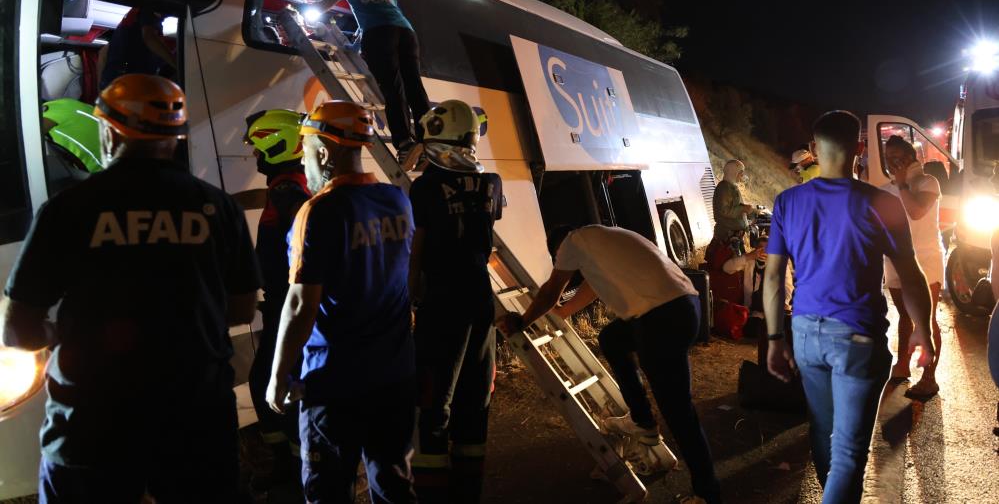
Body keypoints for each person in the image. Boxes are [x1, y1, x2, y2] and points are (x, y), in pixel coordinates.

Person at [1, 74, 261, 504]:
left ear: (109, 129)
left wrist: (61, 333)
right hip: (196, 421)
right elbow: (240, 309)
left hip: (90, 425)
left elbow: (17, 331)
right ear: (175, 138)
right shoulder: (219, 209)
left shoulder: (68, 210)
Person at [764, 110, 933, 503]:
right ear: (859, 148)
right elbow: (911, 274)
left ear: (812, 149)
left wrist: (775, 338)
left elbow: (773, 278)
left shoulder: (787, 202)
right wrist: (923, 329)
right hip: (857, 336)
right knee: (848, 454)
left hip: (806, 334)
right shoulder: (882, 203)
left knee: (824, 436)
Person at [496, 225, 722, 504]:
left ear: (558, 247)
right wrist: (565, 312)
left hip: (660, 319)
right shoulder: (605, 237)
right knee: (613, 338)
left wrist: (521, 322)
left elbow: (551, 291)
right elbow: (590, 288)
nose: (561, 262)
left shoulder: (571, 242)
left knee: (679, 412)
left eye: (558, 258)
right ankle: (643, 421)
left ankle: (707, 494)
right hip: (685, 306)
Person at [266, 100, 417, 504]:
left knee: (329, 491)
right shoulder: (398, 200)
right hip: (395, 376)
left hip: (334, 384)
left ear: (323, 151)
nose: (304, 162)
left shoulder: (317, 212)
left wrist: (278, 376)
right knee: (394, 485)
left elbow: (300, 306)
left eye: (305, 149)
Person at [407, 100, 502, 503]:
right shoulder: (491, 182)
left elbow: (419, 244)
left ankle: (432, 493)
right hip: (480, 297)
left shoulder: (425, 186)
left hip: (442, 298)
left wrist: (411, 293)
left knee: (434, 398)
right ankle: (468, 492)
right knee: (474, 396)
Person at [241, 109, 311, 491]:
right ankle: (291, 466)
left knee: (272, 383)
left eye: (257, 147)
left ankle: (294, 472)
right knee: (270, 382)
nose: (254, 155)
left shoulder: (289, 192)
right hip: (283, 304)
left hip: (289, 307)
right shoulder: (287, 185)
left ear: (275, 144)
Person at [330, 0, 431, 169]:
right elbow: (383, 9)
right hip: (406, 32)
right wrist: (355, 44)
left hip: (379, 36)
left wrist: (304, 8)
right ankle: (431, 142)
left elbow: (325, 4)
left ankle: (406, 145)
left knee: (393, 89)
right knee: (415, 88)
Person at [881, 135, 945, 399]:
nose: (893, 162)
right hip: (895, 262)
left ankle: (929, 378)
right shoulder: (886, 189)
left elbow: (917, 211)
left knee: (926, 319)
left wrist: (902, 184)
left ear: (911, 158)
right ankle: (902, 364)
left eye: (898, 157)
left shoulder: (927, 182)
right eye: (888, 158)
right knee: (905, 316)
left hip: (926, 259)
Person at [722, 233, 793, 337]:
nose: (764, 251)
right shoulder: (750, 262)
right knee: (755, 329)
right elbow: (726, 268)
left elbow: (787, 286)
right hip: (754, 311)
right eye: (760, 248)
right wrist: (749, 256)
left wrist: (785, 302)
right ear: (755, 249)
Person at [98, 7, 176, 89]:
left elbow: (103, 52)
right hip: (127, 83)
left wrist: (101, 89)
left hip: (116, 83)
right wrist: (175, 64)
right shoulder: (146, 10)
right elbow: (149, 37)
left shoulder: (132, 22)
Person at [710, 159, 755, 252]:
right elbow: (725, 211)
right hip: (726, 235)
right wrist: (744, 208)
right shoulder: (724, 188)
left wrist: (751, 211)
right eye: (740, 173)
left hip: (734, 235)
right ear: (733, 172)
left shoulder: (731, 186)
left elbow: (736, 205)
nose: (742, 176)